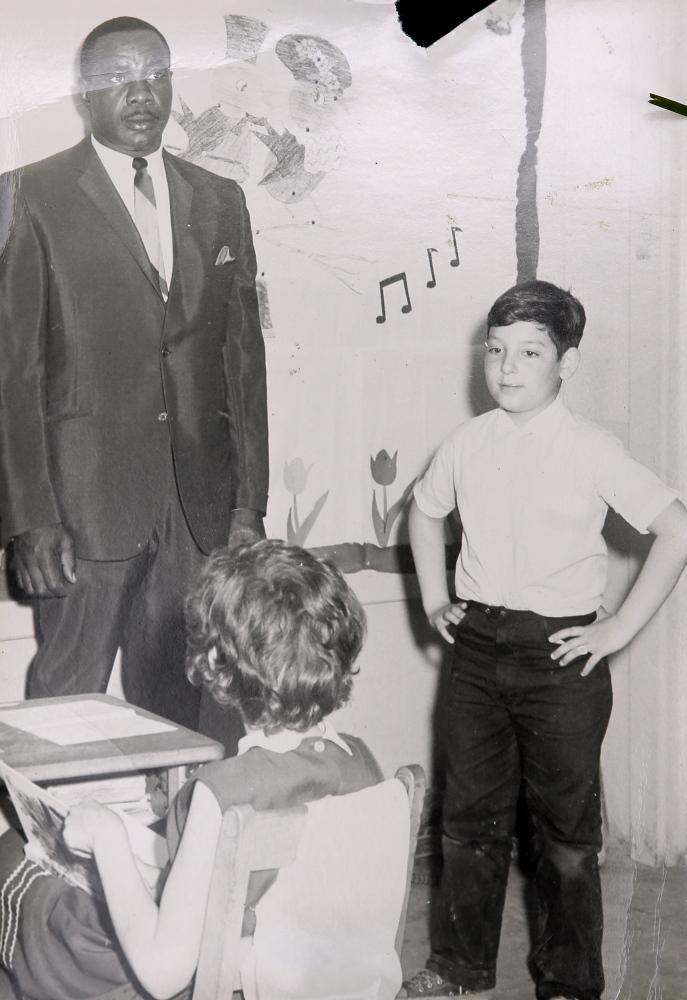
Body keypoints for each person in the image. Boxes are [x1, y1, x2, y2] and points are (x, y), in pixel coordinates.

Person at [402, 280, 687, 1000]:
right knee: (467, 821)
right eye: (495, 350)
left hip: (561, 659)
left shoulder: (592, 449)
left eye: (528, 352)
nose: (506, 367)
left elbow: (675, 528)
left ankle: (567, 983)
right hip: (475, 652)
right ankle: (458, 967)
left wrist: (618, 626)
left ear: (567, 362)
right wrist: (436, 597)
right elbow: (423, 513)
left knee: (563, 838)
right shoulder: (467, 443)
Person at [0, 17, 268, 745]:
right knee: (63, 714)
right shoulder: (29, 194)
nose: (141, 92)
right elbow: (12, 372)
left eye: (155, 74)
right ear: (83, 97)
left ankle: (189, 854)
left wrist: (248, 505)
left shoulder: (220, 200)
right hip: (83, 515)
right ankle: (35, 860)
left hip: (201, 518)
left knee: (204, 716)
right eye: (117, 78)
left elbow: (242, 366)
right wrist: (30, 518)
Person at [0, 539, 382, 1000]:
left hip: (222, 974)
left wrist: (107, 836)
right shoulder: (361, 760)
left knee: (24, 871)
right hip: (311, 970)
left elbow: (164, 975)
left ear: (219, 663)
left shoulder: (219, 793)